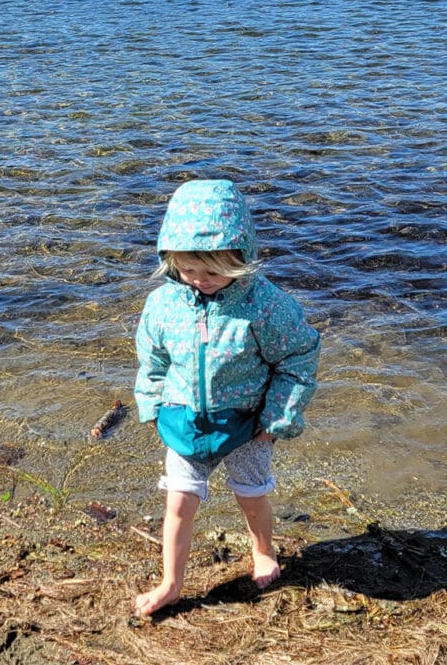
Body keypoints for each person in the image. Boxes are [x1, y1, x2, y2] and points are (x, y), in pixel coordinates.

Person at [134, 179, 320, 616]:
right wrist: (153, 402)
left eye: (213, 271)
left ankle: (263, 550)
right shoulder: (164, 305)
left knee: (251, 495)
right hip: (184, 420)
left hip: (247, 424)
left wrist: (277, 419)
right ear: (170, 259)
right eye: (188, 270)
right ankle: (171, 583)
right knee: (178, 503)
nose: (200, 281)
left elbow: (299, 357)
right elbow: (152, 357)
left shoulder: (264, 306)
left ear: (240, 258)